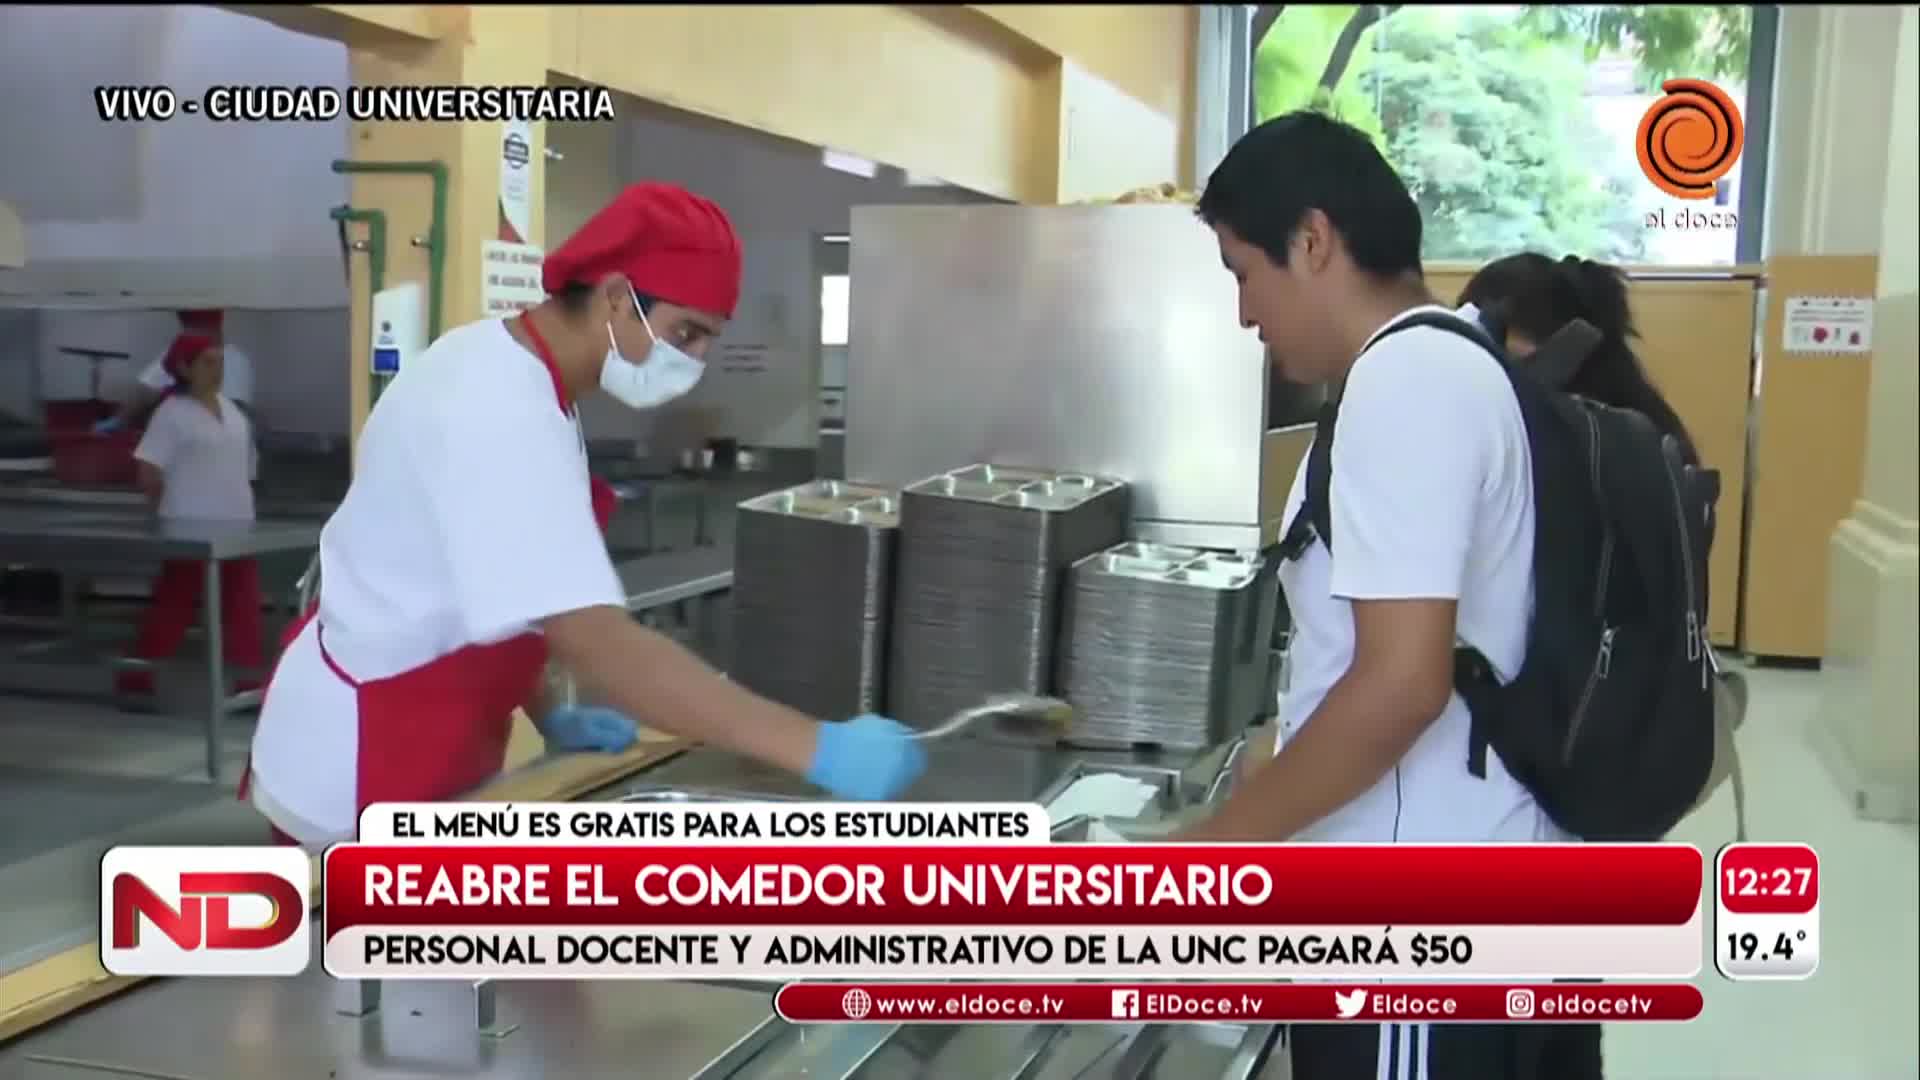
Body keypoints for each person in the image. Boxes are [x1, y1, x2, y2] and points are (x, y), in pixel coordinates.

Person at [239, 182, 927, 849]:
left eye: (707, 342)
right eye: (684, 333)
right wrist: (814, 748)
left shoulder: (531, 382)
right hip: (359, 758)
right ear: (615, 297)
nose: (694, 361)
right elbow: (596, 642)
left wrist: (549, 713)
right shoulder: (493, 404)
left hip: (433, 735)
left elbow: (503, 586)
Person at [1174, 112, 1600, 1078]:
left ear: (1313, 241)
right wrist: (1280, 759)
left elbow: (1402, 684)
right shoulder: (1453, 360)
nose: (1246, 314)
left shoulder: (1407, 382)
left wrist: (1216, 850)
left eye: (1245, 273)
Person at [116, 333, 265, 697]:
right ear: (184, 367)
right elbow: (148, 470)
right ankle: (136, 680)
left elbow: (245, 472)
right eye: (207, 363)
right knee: (173, 609)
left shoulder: (233, 414)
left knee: (243, 609)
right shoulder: (172, 414)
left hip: (237, 528)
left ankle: (249, 683)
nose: (216, 371)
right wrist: (163, 518)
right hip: (189, 529)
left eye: (220, 363)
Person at [95, 309, 255, 434]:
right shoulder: (181, 353)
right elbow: (143, 392)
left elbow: (232, 414)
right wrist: (119, 421)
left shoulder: (234, 361)